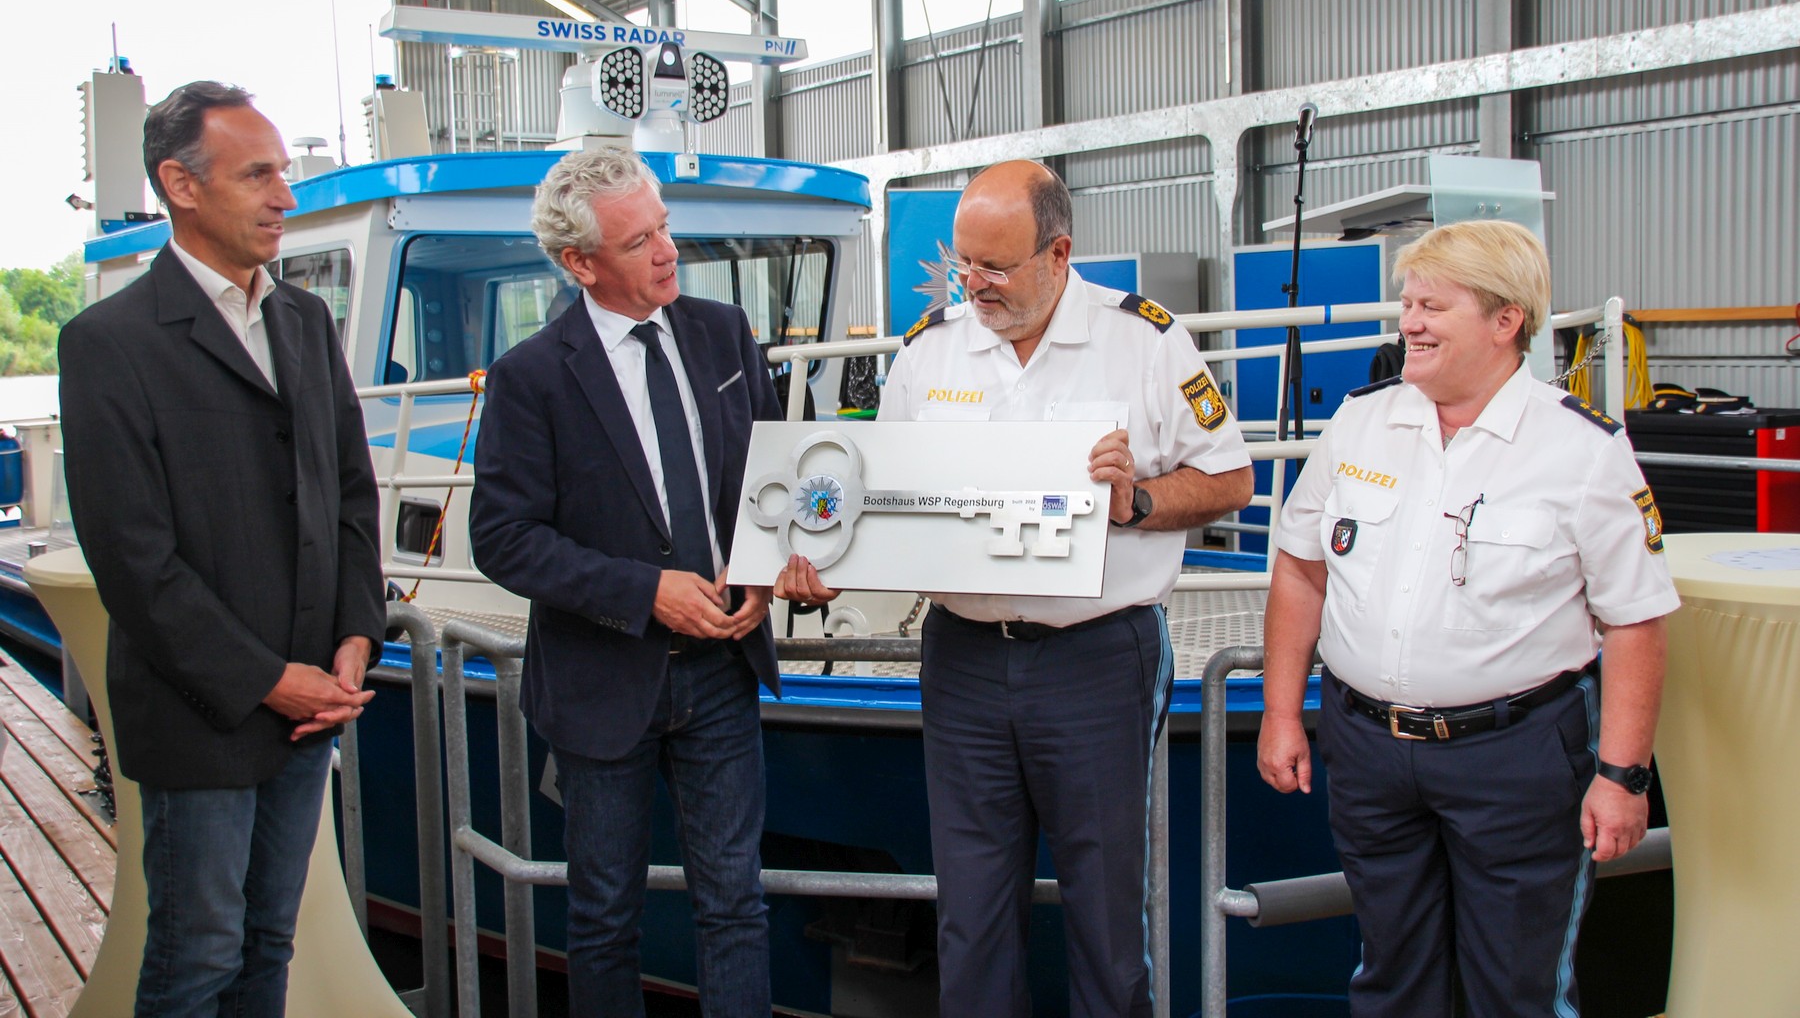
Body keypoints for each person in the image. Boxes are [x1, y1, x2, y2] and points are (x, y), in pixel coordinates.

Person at [779, 160, 1253, 1017]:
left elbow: (1230, 479)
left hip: (1098, 659)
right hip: (962, 659)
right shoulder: (931, 351)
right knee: (973, 915)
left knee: (1109, 918)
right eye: (964, 263)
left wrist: (1138, 500)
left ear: (1059, 253)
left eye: (994, 267)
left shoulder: (1145, 341)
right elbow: (880, 501)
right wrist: (820, 565)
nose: (974, 284)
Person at [1256, 219, 1674, 1018]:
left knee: (1516, 988)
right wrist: (1282, 713)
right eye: (1408, 303)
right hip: (1369, 752)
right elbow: (1302, 568)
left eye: (1431, 306)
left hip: (1515, 760)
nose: (1408, 322)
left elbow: (1636, 622)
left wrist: (1622, 778)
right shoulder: (1362, 421)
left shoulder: (1582, 451)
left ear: (1505, 320)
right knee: (1391, 977)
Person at [58, 81, 385, 1016]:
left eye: (284, 171)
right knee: (196, 958)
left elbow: (351, 495)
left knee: (266, 947)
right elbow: (132, 559)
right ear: (181, 184)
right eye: (259, 174)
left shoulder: (306, 324)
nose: (287, 194)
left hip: (309, 707)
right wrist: (267, 679)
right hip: (202, 714)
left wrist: (354, 639)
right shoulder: (109, 344)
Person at [469, 148, 782, 1017]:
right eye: (640, 239)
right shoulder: (531, 377)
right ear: (579, 264)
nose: (667, 251)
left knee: (735, 906)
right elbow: (501, 538)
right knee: (605, 917)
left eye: (665, 226)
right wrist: (646, 590)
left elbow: (769, 480)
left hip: (721, 671)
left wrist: (763, 571)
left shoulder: (723, 333)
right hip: (603, 682)